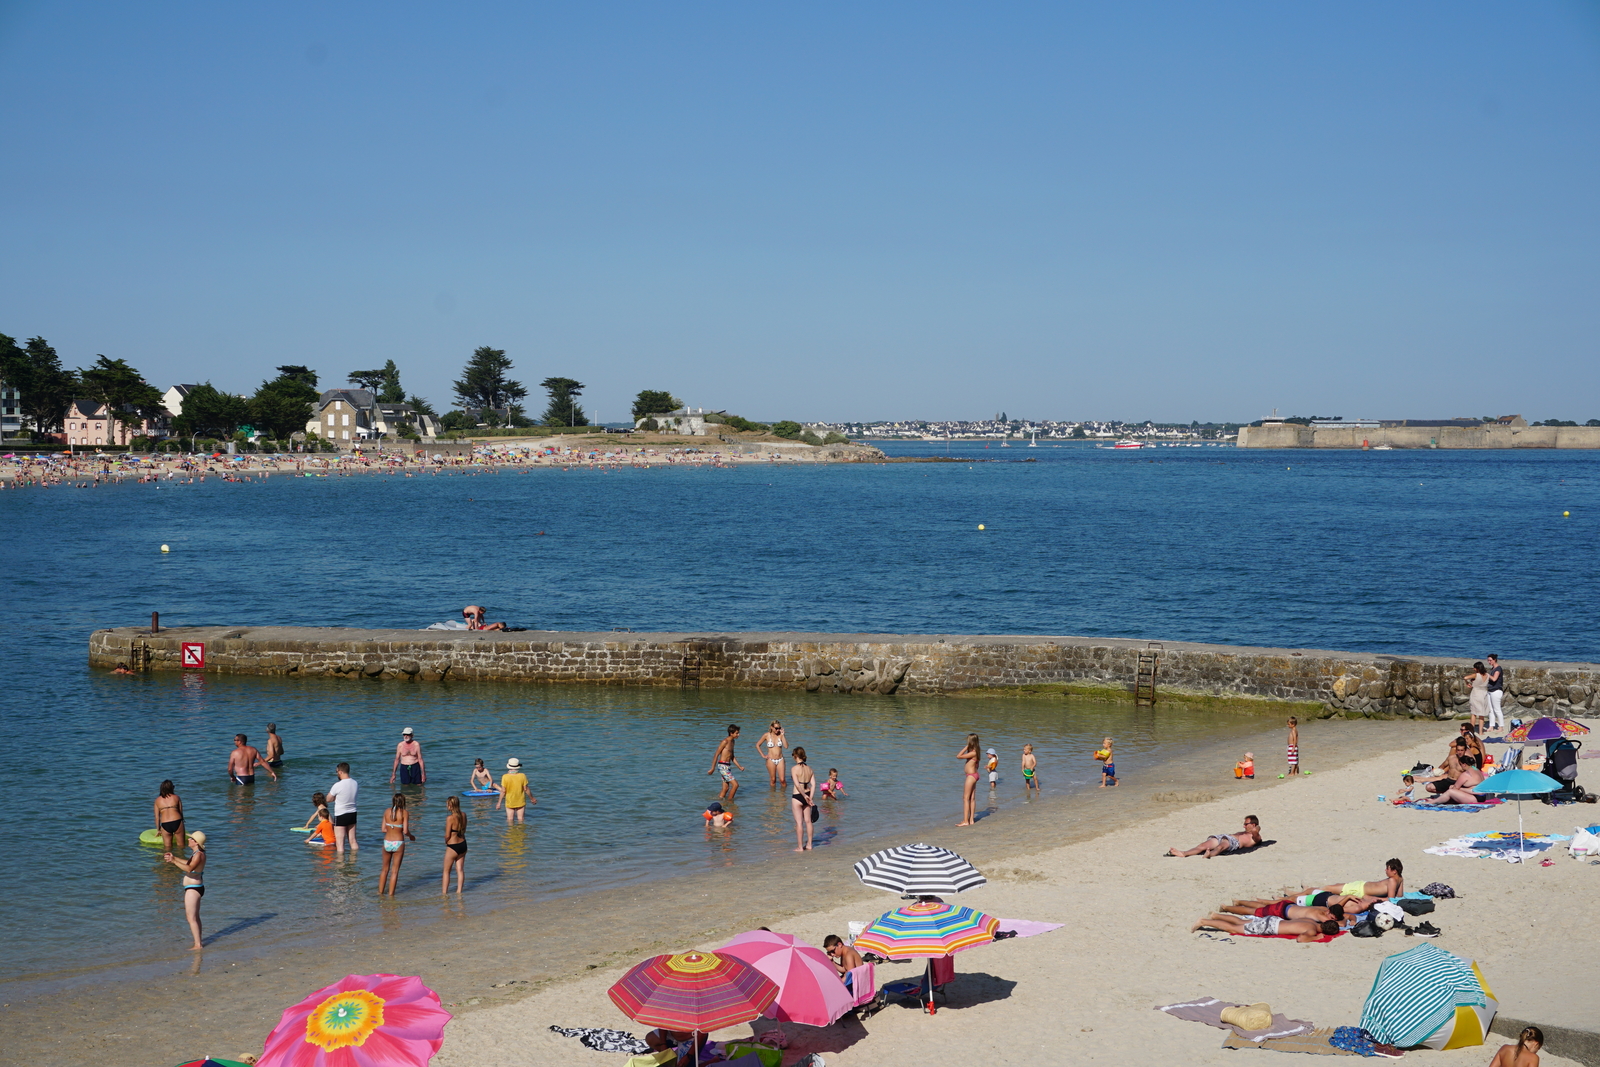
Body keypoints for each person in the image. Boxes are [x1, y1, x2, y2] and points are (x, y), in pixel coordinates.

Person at [164, 829, 208, 951]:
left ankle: (198, 945)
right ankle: (198, 942)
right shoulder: (197, 853)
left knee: (191, 917)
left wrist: (173, 861)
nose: (188, 839)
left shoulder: (198, 854)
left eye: (191, 839)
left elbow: (188, 868)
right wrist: (175, 858)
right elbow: (189, 863)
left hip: (193, 888)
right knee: (195, 917)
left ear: (196, 842)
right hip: (194, 887)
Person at [1191, 911, 1339, 943]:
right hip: (1271, 927)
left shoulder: (1312, 921)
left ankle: (1216, 916)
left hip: (1275, 920)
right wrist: (1315, 938)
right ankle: (1204, 921)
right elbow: (1300, 939)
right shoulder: (1312, 930)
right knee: (1234, 929)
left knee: (1241, 922)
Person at [1305, 858, 1405, 900]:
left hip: (1358, 889)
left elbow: (1390, 899)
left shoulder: (1392, 880)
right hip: (1360, 886)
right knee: (1336, 886)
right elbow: (1399, 896)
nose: (1385, 870)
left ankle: (1308, 891)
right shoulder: (1400, 879)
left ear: (1394, 871)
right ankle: (1311, 890)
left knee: (1329, 888)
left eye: (1387, 869)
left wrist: (1372, 898)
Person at [1166, 815, 1262, 858]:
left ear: (1253, 824)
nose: (1244, 826)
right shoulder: (1245, 831)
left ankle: (1210, 854)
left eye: (1246, 824)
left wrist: (1257, 827)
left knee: (1220, 847)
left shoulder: (1255, 837)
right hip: (1224, 837)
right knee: (1202, 845)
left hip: (1233, 842)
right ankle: (1184, 853)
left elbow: (1256, 832)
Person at [378, 793, 415, 895]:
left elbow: (383, 829)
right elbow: (406, 831)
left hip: (387, 842)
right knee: (394, 871)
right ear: (403, 802)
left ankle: (380, 893)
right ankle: (391, 895)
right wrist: (411, 836)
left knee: (384, 870)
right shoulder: (404, 813)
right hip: (398, 843)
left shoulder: (386, 811)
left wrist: (391, 828)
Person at [327, 762, 359, 852]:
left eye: (337, 771)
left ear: (340, 772)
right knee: (353, 841)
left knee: (340, 844)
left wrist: (335, 797)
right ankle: (354, 861)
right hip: (352, 813)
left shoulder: (338, 785)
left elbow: (328, 799)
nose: (337, 773)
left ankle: (340, 865)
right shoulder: (355, 783)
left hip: (341, 814)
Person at [707, 725, 744, 801]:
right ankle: (730, 803)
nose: (738, 735)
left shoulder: (733, 741)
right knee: (735, 785)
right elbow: (716, 754)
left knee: (726, 788)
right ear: (731, 733)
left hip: (727, 766)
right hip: (722, 766)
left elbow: (732, 756)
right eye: (737, 733)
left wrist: (739, 766)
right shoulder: (725, 741)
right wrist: (712, 768)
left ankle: (720, 803)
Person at [791, 746, 816, 851]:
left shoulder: (794, 769)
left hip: (798, 796)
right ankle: (809, 844)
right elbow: (814, 784)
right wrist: (810, 797)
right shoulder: (809, 769)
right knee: (808, 821)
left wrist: (803, 795)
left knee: (799, 823)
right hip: (808, 794)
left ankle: (800, 847)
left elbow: (797, 785)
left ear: (796, 756)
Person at [441, 795, 468, 894]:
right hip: (463, 844)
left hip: (453, 846)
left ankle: (444, 893)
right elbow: (464, 830)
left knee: (446, 871)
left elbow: (447, 835)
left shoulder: (450, 818)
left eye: (447, 805)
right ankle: (459, 892)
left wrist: (446, 841)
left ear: (451, 806)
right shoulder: (464, 815)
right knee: (460, 869)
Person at [496, 758, 533, 822]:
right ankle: (521, 831)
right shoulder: (522, 776)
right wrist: (532, 798)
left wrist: (499, 803)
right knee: (521, 820)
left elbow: (503, 791)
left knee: (510, 820)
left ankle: (511, 831)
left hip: (510, 801)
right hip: (520, 801)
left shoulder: (505, 777)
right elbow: (526, 789)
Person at [154, 779, 186, 852]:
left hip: (165, 824)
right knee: (181, 847)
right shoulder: (176, 797)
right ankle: (181, 861)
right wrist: (182, 822)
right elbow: (180, 812)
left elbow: (157, 817)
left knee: (167, 849)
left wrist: (158, 829)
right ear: (172, 788)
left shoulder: (157, 800)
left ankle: (168, 863)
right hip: (177, 821)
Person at [956, 733, 980, 826]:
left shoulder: (973, 752)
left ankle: (966, 821)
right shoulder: (976, 751)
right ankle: (971, 820)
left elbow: (958, 756)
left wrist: (966, 747)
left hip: (971, 776)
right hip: (974, 775)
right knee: (972, 798)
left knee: (966, 798)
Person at [1464, 661, 1490, 731]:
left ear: (1477, 668)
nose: (1474, 669)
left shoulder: (1476, 675)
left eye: (1475, 668)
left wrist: (1467, 683)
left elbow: (1465, 677)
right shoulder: (1487, 675)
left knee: (1473, 713)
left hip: (1476, 694)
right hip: (1484, 694)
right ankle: (1481, 731)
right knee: (1482, 715)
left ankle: (1471, 730)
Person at [1485, 654, 1507, 733]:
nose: (1489, 662)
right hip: (1490, 690)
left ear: (1494, 660)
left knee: (1497, 709)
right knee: (1490, 710)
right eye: (1488, 660)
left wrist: (1487, 675)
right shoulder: (1493, 668)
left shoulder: (1498, 668)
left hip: (1496, 690)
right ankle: (1491, 726)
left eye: (1490, 660)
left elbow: (1494, 679)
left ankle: (1501, 726)